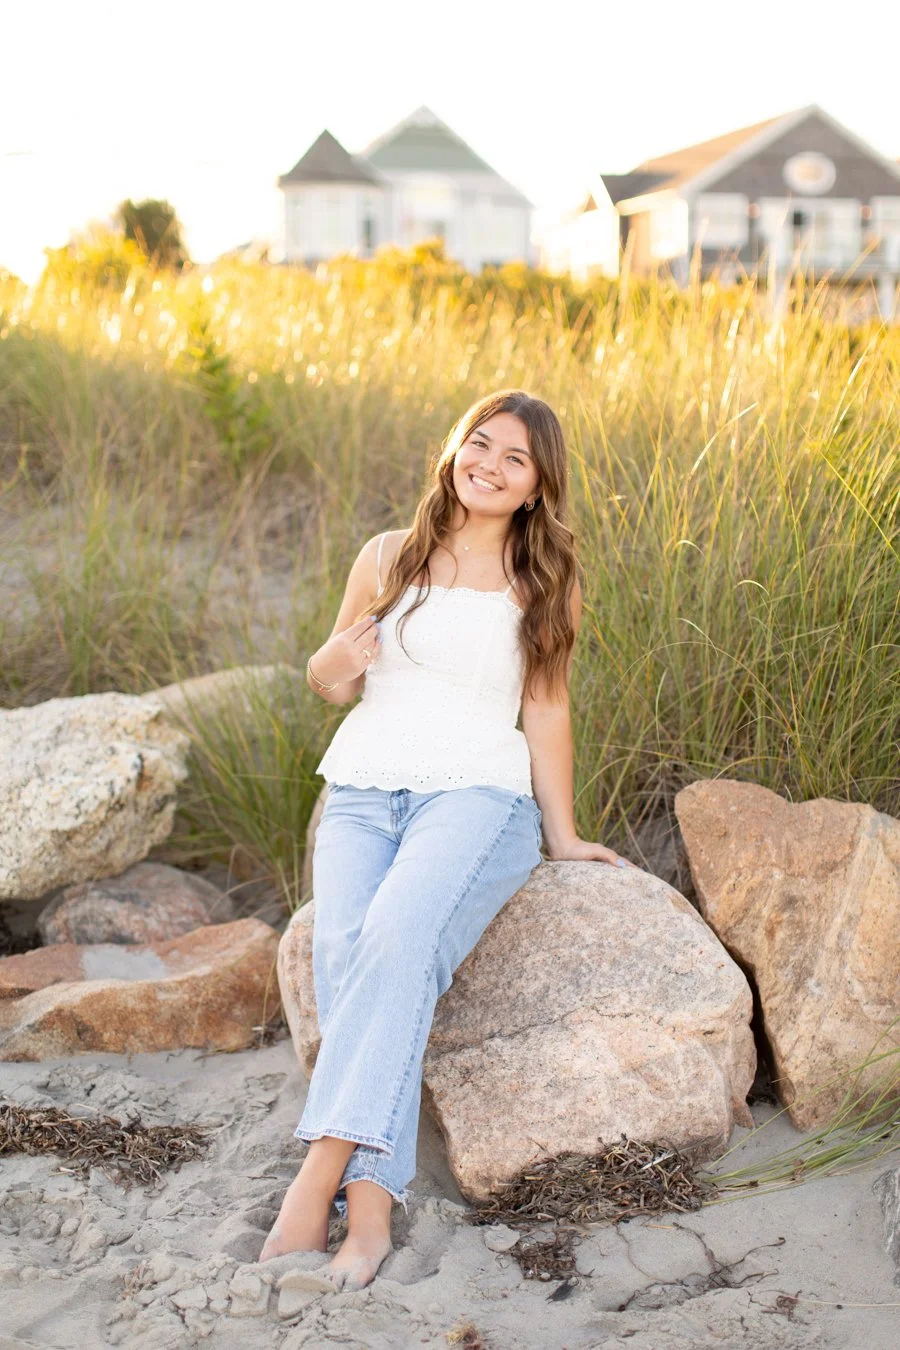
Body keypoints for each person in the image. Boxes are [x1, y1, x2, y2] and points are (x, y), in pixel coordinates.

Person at [259, 389, 638, 1289]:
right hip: (360, 792)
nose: (491, 464)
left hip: (475, 796)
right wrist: (336, 665)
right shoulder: (388, 555)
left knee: (398, 941)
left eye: (516, 458)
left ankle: (321, 1180)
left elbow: (545, 706)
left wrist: (566, 834)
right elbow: (328, 676)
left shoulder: (545, 576)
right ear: (455, 451)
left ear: (539, 485)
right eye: (482, 444)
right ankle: (375, 1210)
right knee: (350, 953)